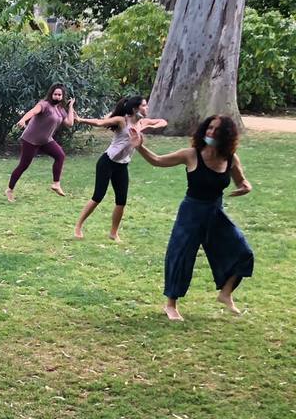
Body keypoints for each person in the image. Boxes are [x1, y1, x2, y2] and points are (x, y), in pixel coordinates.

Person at [131, 115, 253, 322]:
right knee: (180, 256)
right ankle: (170, 305)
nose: (210, 133)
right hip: (191, 213)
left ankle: (225, 294)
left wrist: (245, 187)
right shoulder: (191, 155)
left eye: (216, 130)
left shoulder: (231, 158)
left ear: (226, 135)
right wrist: (140, 147)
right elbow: (158, 161)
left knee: (243, 252)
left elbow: (242, 181)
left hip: (215, 213)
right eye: (209, 128)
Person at [72, 95, 168, 241]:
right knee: (98, 196)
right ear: (136, 108)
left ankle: (113, 233)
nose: (147, 107)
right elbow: (100, 122)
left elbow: (163, 122)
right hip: (107, 162)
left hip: (122, 165)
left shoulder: (142, 122)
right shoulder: (122, 121)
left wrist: (148, 126)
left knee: (121, 201)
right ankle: (78, 226)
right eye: (144, 105)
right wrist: (80, 120)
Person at [5, 83, 75, 201]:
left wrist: (71, 107)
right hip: (30, 140)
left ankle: (56, 184)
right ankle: (10, 189)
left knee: (60, 156)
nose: (57, 97)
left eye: (59, 95)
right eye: (55, 94)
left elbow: (69, 123)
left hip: (46, 140)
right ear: (51, 94)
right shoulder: (44, 104)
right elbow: (32, 112)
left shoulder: (60, 110)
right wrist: (23, 119)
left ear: (62, 96)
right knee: (23, 166)